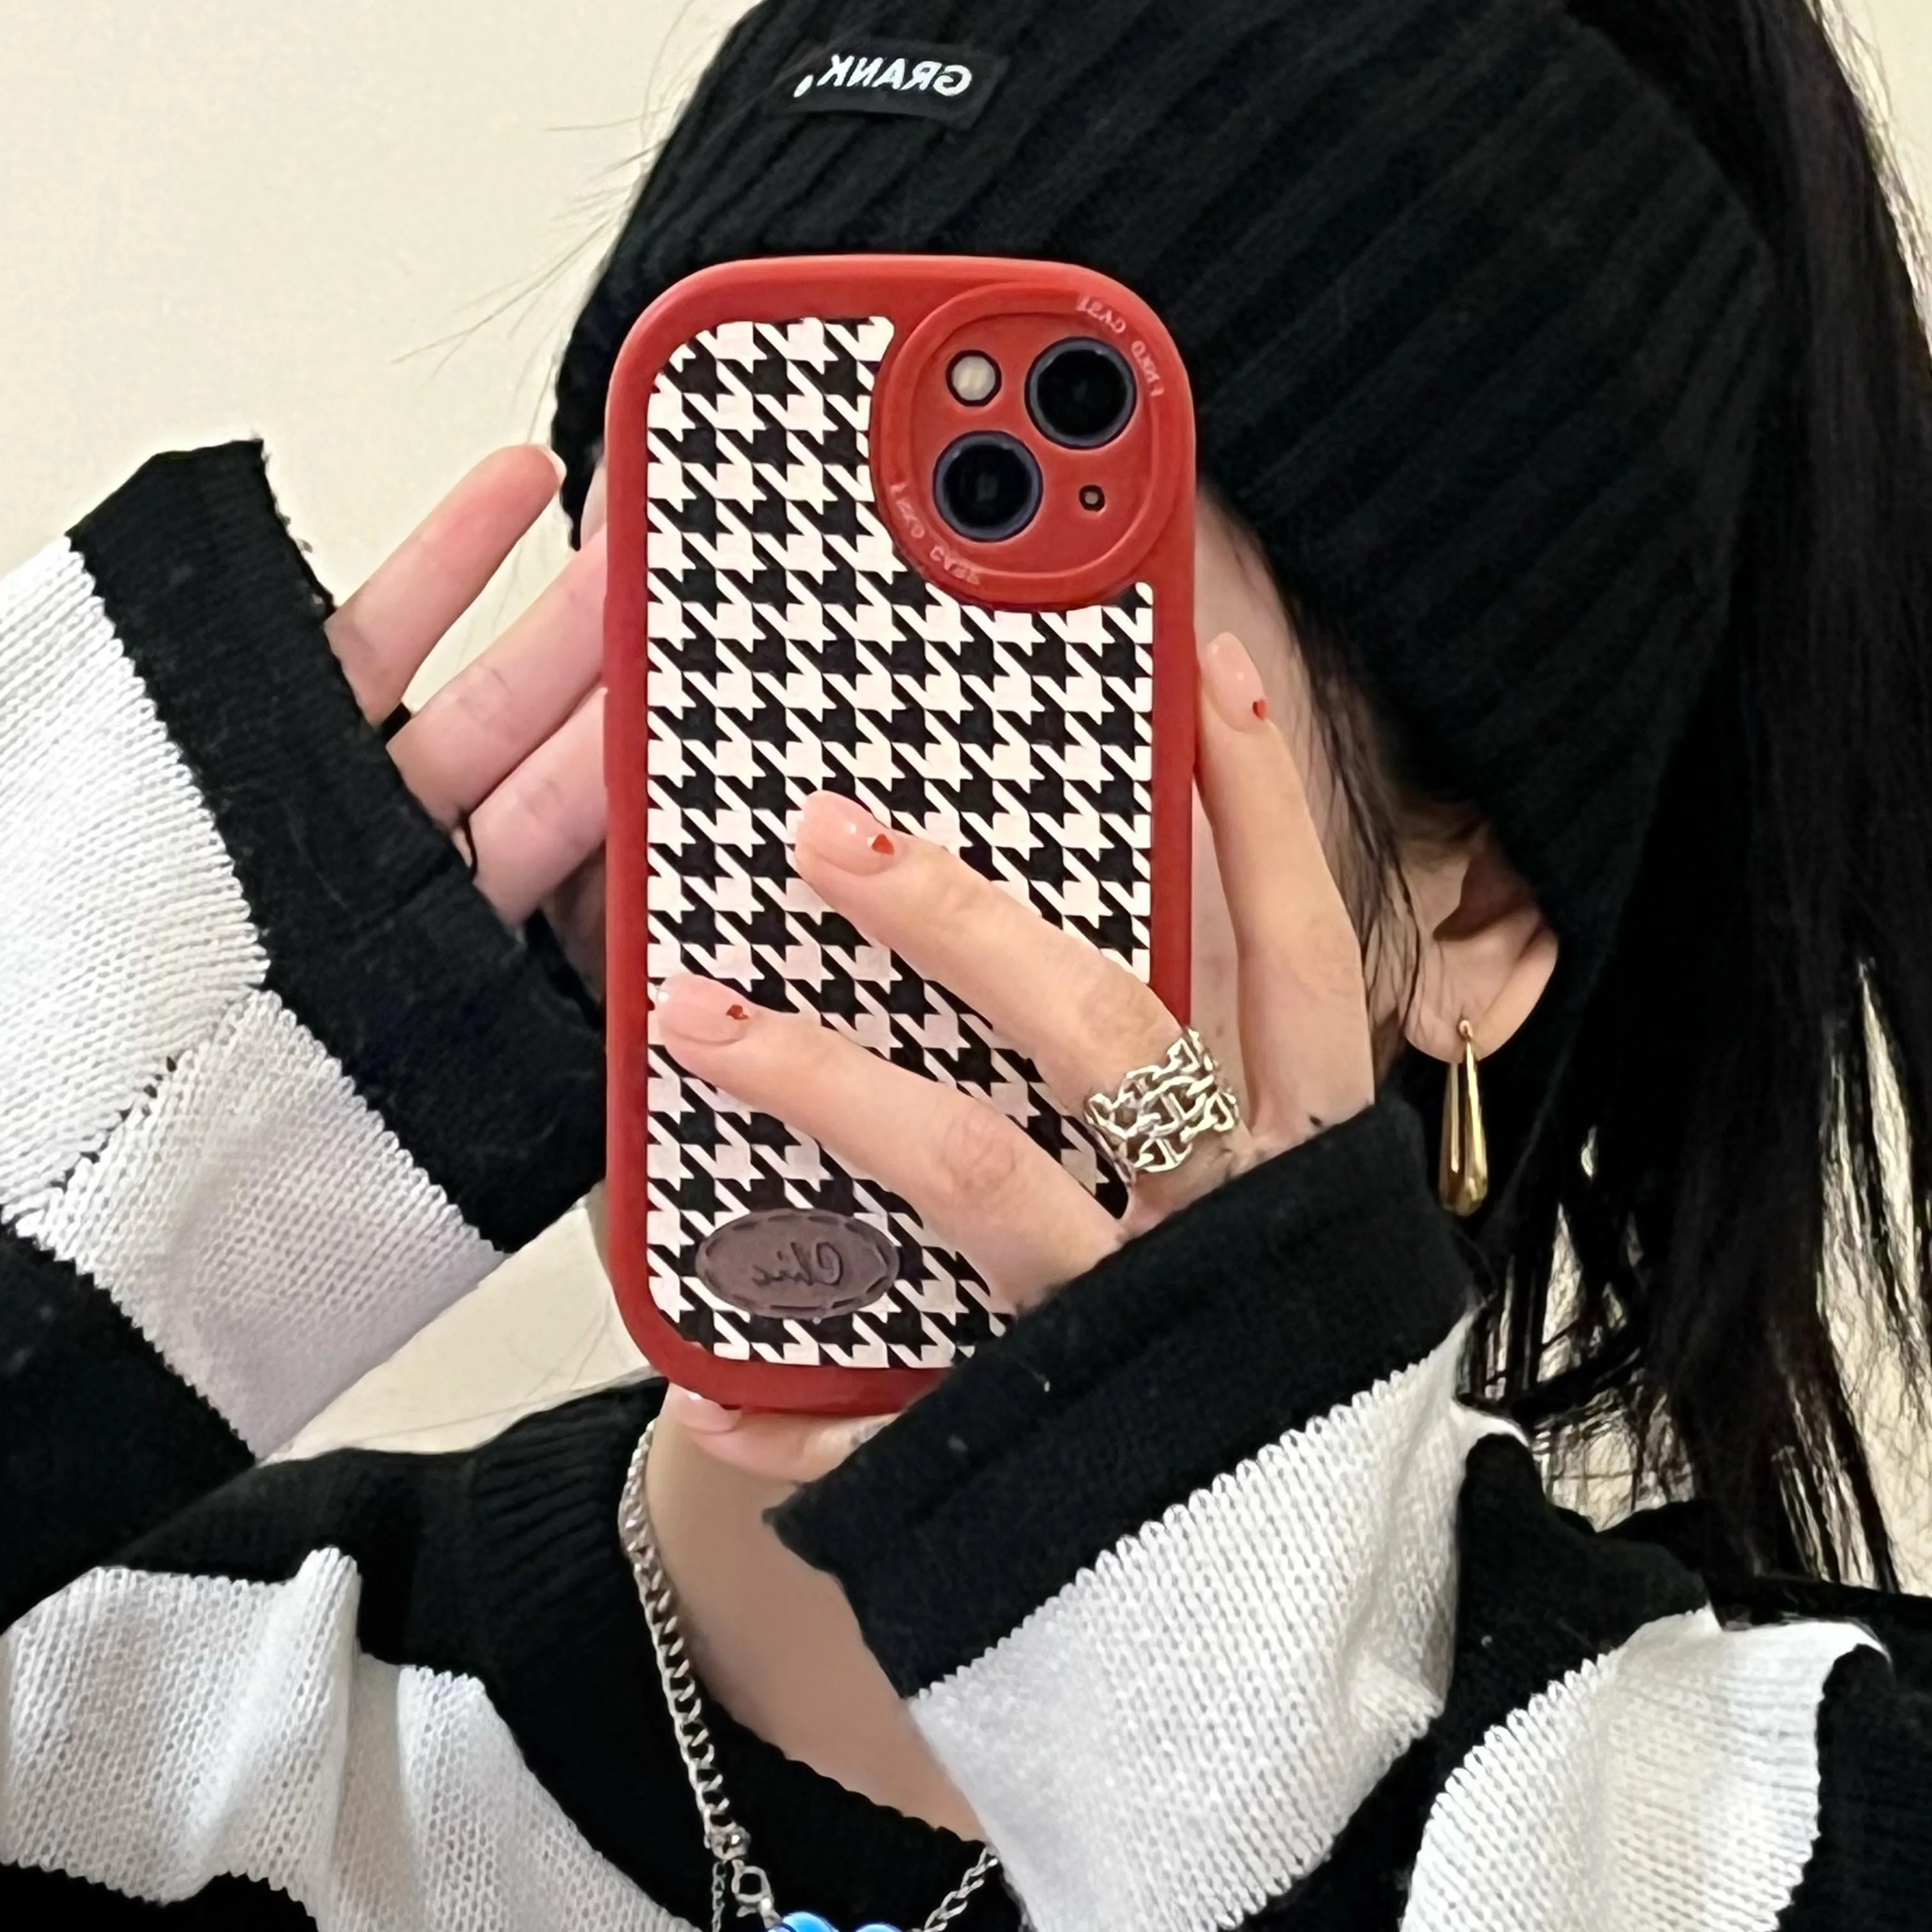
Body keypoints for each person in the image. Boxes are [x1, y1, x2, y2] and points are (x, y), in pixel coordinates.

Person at [3, 0, 1930, 1925]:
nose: (807, 820)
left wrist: (1264, 1788)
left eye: (989, 674)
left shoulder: (1794, 1842)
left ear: (1474, 910)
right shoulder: (93, 1697)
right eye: (726, 588)